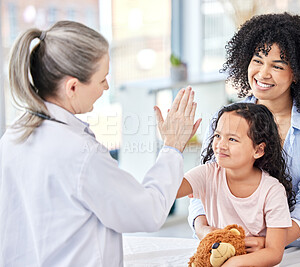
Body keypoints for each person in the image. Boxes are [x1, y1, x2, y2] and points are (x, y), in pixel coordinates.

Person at [0, 21, 201, 266]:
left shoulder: (12, 137)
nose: (106, 87)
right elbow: (147, 213)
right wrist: (172, 147)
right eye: (102, 79)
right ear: (72, 87)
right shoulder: (79, 154)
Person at [188, 12, 300, 249]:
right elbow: (206, 181)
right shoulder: (228, 116)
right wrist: (203, 229)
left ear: (298, 73)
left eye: (277, 66)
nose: (262, 73)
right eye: (257, 61)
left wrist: (271, 242)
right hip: (238, 244)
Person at [177, 103, 295, 266]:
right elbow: (169, 191)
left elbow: (274, 253)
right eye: (218, 136)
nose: (220, 145)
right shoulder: (207, 173)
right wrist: (174, 146)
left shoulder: (272, 191)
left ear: (259, 150)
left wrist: (233, 263)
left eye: (232, 139)